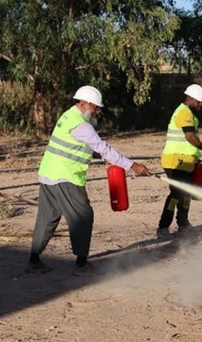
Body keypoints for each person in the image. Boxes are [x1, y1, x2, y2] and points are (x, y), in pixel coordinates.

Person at [26, 85, 151, 276]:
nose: (97, 111)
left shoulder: (67, 116)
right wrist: (133, 166)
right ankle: (82, 265)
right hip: (66, 177)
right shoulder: (83, 126)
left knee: (47, 218)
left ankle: (33, 262)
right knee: (83, 217)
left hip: (48, 174)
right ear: (84, 103)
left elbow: (77, 146)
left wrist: (100, 157)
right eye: (95, 107)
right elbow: (104, 148)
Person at [157, 84, 202, 238]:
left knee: (186, 193)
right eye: (199, 102)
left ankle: (183, 224)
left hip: (186, 162)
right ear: (190, 98)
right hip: (175, 161)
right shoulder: (184, 113)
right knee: (176, 194)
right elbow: (190, 137)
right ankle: (163, 228)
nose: (201, 105)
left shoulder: (189, 113)